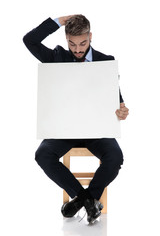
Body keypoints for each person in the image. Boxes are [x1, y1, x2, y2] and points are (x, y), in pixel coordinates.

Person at [23, 15, 129, 224]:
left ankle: (82, 200)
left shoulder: (105, 61)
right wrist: (58, 21)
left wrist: (121, 111)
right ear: (66, 39)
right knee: (42, 155)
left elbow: (117, 101)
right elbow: (29, 40)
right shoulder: (56, 57)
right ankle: (87, 200)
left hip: (97, 132)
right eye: (72, 43)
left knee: (115, 158)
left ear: (90, 36)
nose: (78, 49)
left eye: (83, 43)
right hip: (64, 131)